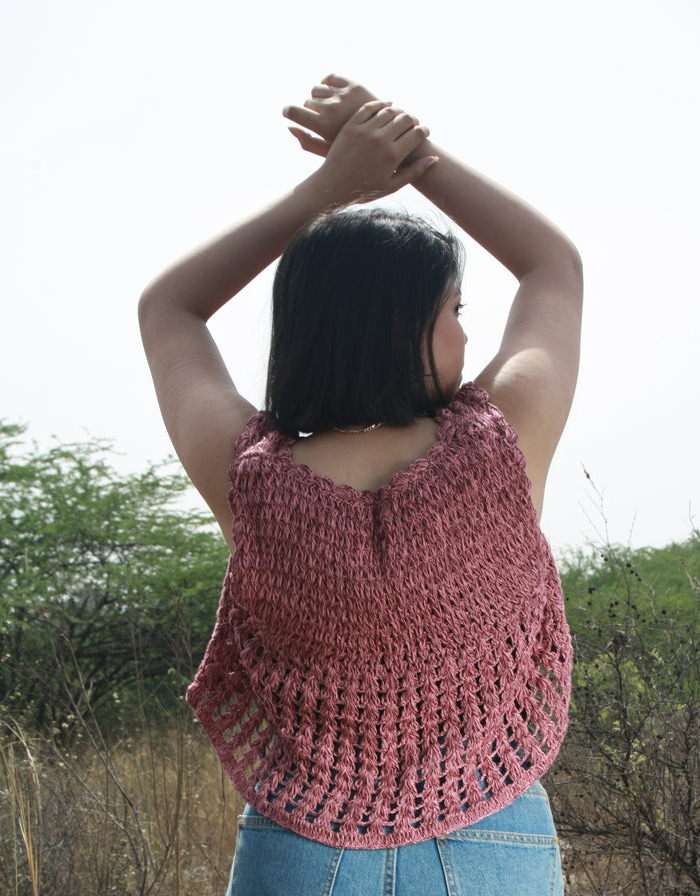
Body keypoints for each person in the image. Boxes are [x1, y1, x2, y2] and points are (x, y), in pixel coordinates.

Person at [139, 74, 583, 896]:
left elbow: (170, 307)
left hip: (300, 847)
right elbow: (552, 266)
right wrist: (415, 158)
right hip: (496, 832)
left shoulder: (255, 482)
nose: (464, 331)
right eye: (454, 309)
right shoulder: (502, 447)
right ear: (402, 324)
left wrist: (328, 186)